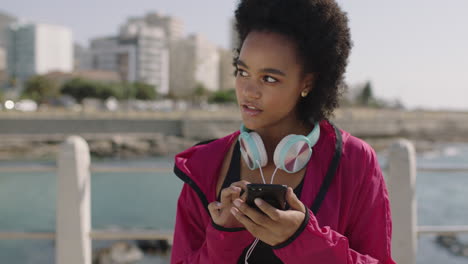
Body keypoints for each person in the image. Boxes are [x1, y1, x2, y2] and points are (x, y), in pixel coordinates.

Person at [171, 0, 396, 263]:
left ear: (307, 83)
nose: (248, 91)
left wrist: (302, 240)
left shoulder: (355, 160)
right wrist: (224, 236)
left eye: (269, 78)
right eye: (242, 72)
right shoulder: (204, 165)